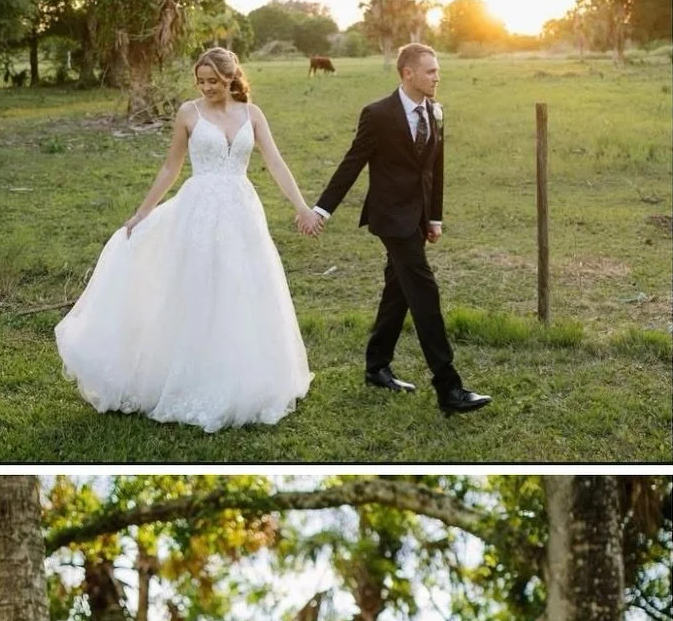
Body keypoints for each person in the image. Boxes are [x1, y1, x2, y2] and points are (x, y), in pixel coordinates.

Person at [54, 47, 313, 431]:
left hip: (241, 210)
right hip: (198, 211)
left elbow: (274, 161)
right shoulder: (188, 114)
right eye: (201, 81)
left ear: (231, 77)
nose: (207, 87)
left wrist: (302, 207)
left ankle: (240, 376)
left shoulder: (251, 115)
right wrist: (142, 212)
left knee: (240, 288)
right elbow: (171, 166)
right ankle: (183, 374)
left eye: (214, 81)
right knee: (195, 290)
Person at [306, 44, 491, 414]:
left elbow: (435, 170)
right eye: (431, 71)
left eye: (438, 71)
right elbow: (352, 164)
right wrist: (322, 209)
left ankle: (377, 366)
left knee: (399, 290)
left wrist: (434, 217)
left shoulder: (436, 112)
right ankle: (448, 387)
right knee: (423, 289)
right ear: (408, 74)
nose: (438, 77)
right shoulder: (378, 114)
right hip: (390, 218)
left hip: (418, 217)